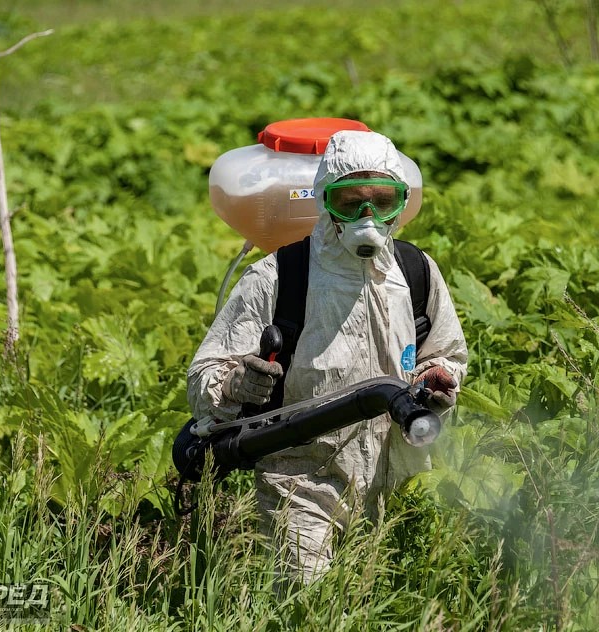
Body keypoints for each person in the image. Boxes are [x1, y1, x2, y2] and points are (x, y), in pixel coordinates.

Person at [186, 130, 468, 582]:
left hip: (394, 477)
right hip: (298, 477)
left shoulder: (416, 273)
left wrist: (438, 380)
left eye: (382, 201)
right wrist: (238, 384)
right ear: (324, 202)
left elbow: (448, 354)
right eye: (350, 202)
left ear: (402, 203)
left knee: (378, 605)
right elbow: (203, 380)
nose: (367, 217)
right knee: (307, 601)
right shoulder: (280, 276)